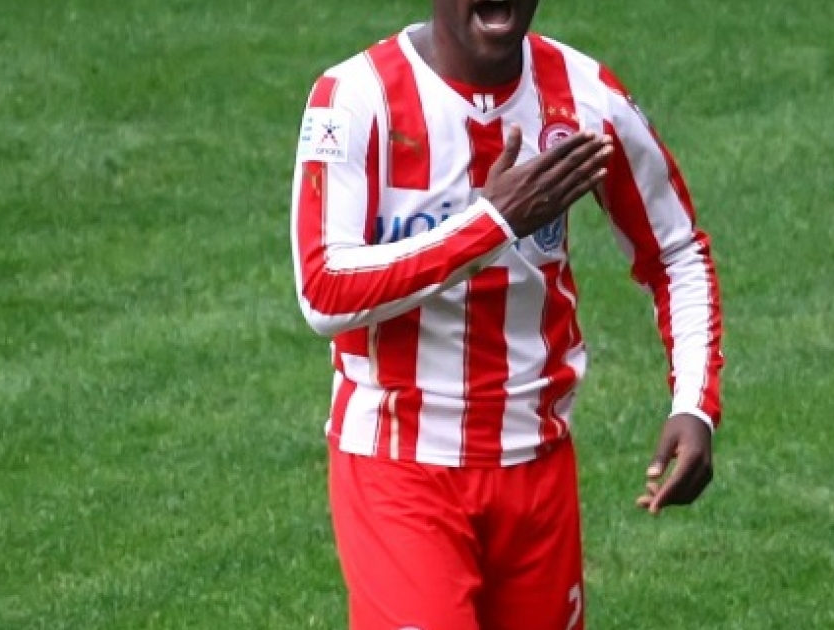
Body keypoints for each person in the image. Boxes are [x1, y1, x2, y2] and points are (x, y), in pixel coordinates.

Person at [290, 0, 723, 627]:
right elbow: (324, 290)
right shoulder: (355, 99)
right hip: (399, 470)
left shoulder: (584, 97)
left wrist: (694, 404)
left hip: (537, 470)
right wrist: (492, 224)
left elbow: (676, 252)